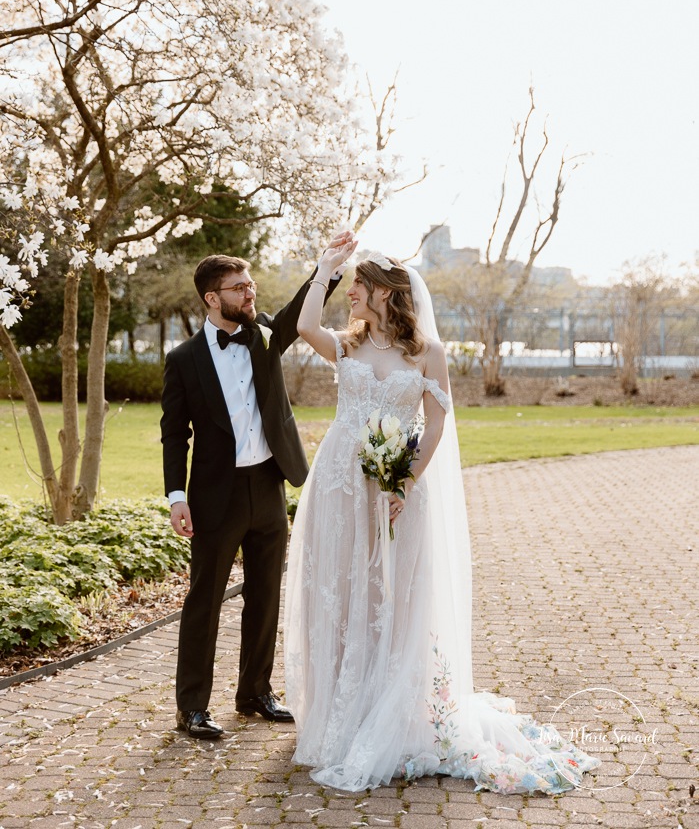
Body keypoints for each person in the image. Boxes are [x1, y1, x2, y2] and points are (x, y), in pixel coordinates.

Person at [285, 246, 600, 792]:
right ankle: (340, 712)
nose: (351, 293)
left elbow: (434, 427)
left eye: (357, 285)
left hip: (396, 487)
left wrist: (404, 480)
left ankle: (394, 712)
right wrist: (324, 270)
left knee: (395, 599)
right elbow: (304, 321)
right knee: (336, 593)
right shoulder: (345, 345)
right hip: (339, 485)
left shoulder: (428, 352)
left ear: (384, 291)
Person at [161, 240, 347, 739]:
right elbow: (174, 432)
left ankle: (255, 692)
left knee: (265, 595)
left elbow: (297, 313)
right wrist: (176, 496)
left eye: (251, 285)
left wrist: (326, 270)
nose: (249, 293)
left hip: (268, 482)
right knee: (206, 599)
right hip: (214, 495)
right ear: (210, 298)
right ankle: (192, 708)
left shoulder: (264, 334)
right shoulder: (183, 359)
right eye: (239, 288)